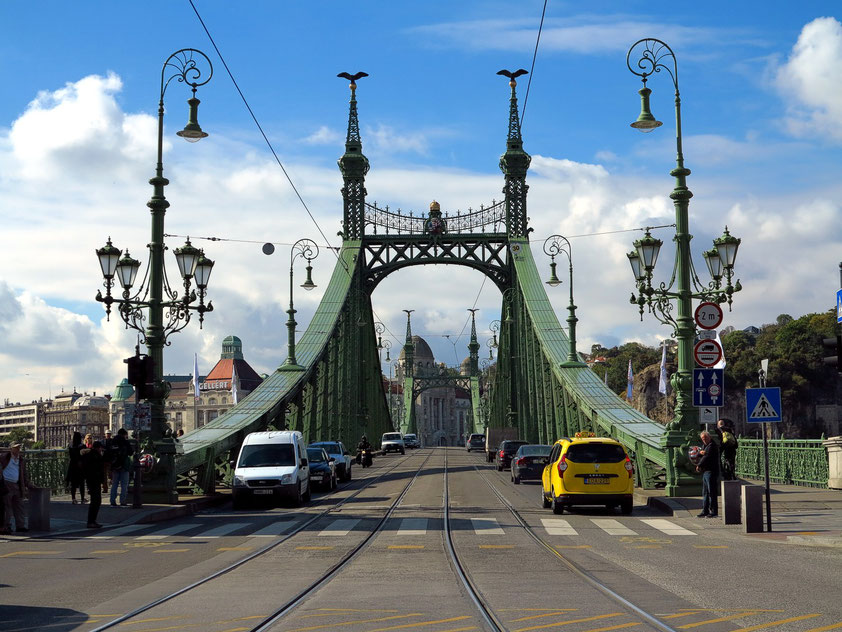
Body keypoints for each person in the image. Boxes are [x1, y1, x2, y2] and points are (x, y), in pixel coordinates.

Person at [1, 443, 30, 533]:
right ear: (11, 449)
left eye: (18, 448)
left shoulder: (20, 460)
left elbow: (23, 474)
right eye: (15, 448)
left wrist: (27, 484)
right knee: (7, 507)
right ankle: (6, 526)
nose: (18, 450)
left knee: (19, 505)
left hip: (17, 484)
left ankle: (20, 525)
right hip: (6, 483)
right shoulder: (5, 457)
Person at [80, 440, 107, 528]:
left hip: (90, 480)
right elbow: (99, 469)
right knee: (96, 501)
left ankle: (92, 521)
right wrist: (103, 481)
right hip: (95, 480)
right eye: (100, 448)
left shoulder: (88, 455)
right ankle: (91, 521)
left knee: (95, 501)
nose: (101, 449)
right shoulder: (96, 456)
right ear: (98, 448)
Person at [695, 431, 720, 518]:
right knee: (705, 492)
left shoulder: (712, 446)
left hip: (711, 471)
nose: (704, 440)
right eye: (702, 439)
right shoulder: (705, 446)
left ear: (709, 438)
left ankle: (713, 511)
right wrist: (701, 453)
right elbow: (699, 454)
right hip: (705, 471)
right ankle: (705, 510)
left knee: (711, 492)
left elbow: (706, 457)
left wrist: (699, 465)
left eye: (705, 438)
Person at [109, 428, 134, 507]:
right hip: (124, 465)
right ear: (124, 434)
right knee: (124, 485)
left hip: (115, 465)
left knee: (114, 484)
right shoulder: (125, 442)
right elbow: (130, 453)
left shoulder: (113, 441)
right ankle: (122, 501)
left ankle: (112, 501)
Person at [65, 431, 86, 504]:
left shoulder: (71, 446)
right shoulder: (82, 446)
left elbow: (70, 456)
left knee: (73, 483)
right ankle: (82, 499)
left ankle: (73, 498)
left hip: (72, 465)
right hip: (80, 466)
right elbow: (84, 456)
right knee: (81, 483)